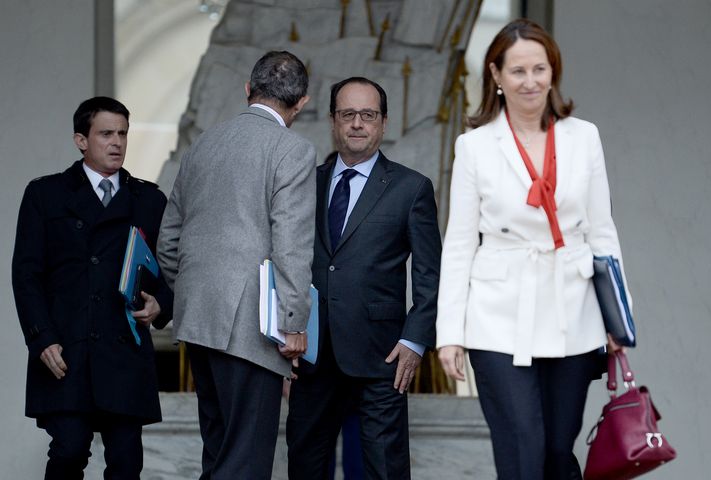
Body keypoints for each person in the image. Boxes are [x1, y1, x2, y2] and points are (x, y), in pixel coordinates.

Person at [436, 19, 628, 480]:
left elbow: (603, 232)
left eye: (539, 69)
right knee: (523, 444)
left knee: (558, 451)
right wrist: (450, 332)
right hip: (498, 316)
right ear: (496, 76)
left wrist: (619, 318)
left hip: (574, 311)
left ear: (553, 72)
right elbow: (460, 241)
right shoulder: (475, 146)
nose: (531, 81)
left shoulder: (584, 136)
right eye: (518, 71)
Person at [156, 51, 315, 479]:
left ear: (248, 90)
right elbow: (291, 243)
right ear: (300, 102)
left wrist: (193, 289)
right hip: (253, 327)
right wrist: (294, 322)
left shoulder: (202, 145)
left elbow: (168, 240)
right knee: (244, 460)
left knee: (220, 451)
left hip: (199, 322)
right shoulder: (293, 150)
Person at [286, 77, 442, 480]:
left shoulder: (411, 188)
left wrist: (414, 340)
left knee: (384, 468)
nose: (357, 123)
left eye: (368, 115)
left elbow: (430, 274)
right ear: (333, 122)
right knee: (305, 464)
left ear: (383, 123)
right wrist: (282, 333)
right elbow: (283, 258)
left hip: (383, 356)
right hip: (311, 354)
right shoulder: (306, 183)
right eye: (348, 114)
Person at [11, 96, 173, 479]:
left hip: (124, 352)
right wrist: (42, 338)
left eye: (122, 133)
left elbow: (172, 272)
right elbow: (26, 274)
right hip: (67, 349)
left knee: (126, 461)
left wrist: (160, 305)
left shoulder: (149, 199)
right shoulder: (45, 195)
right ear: (81, 140)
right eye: (105, 134)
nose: (116, 142)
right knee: (68, 451)